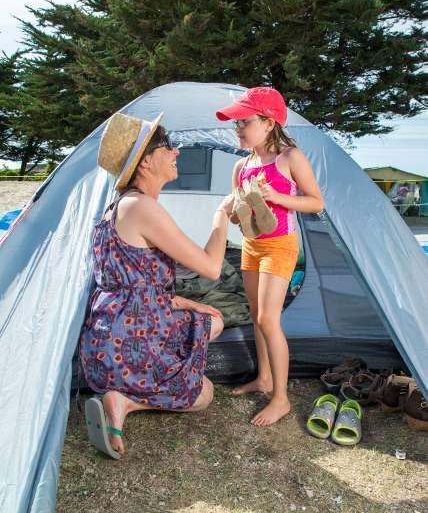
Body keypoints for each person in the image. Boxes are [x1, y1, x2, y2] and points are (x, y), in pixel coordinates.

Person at [80, 112, 234, 458]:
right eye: (168, 146)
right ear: (146, 162)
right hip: (136, 340)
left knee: (211, 317)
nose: (176, 152)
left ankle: (120, 395)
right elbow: (210, 268)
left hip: (102, 346)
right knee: (205, 394)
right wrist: (221, 217)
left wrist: (192, 305)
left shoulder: (115, 208)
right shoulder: (142, 207)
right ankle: (128, 400)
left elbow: (137, 288)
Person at [216, 87, 324, 427]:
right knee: (255, 313)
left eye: (243, 121)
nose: (237, 128)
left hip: (280, 245)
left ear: (268, 122)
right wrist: (236, 212)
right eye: (236, 123)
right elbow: (238, 215)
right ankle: (263, 379)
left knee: (268, 320)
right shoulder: (241, 166)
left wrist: (277, 196)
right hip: (252, 245)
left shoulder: (290, 158)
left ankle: (281, 399)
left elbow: (316, 202)